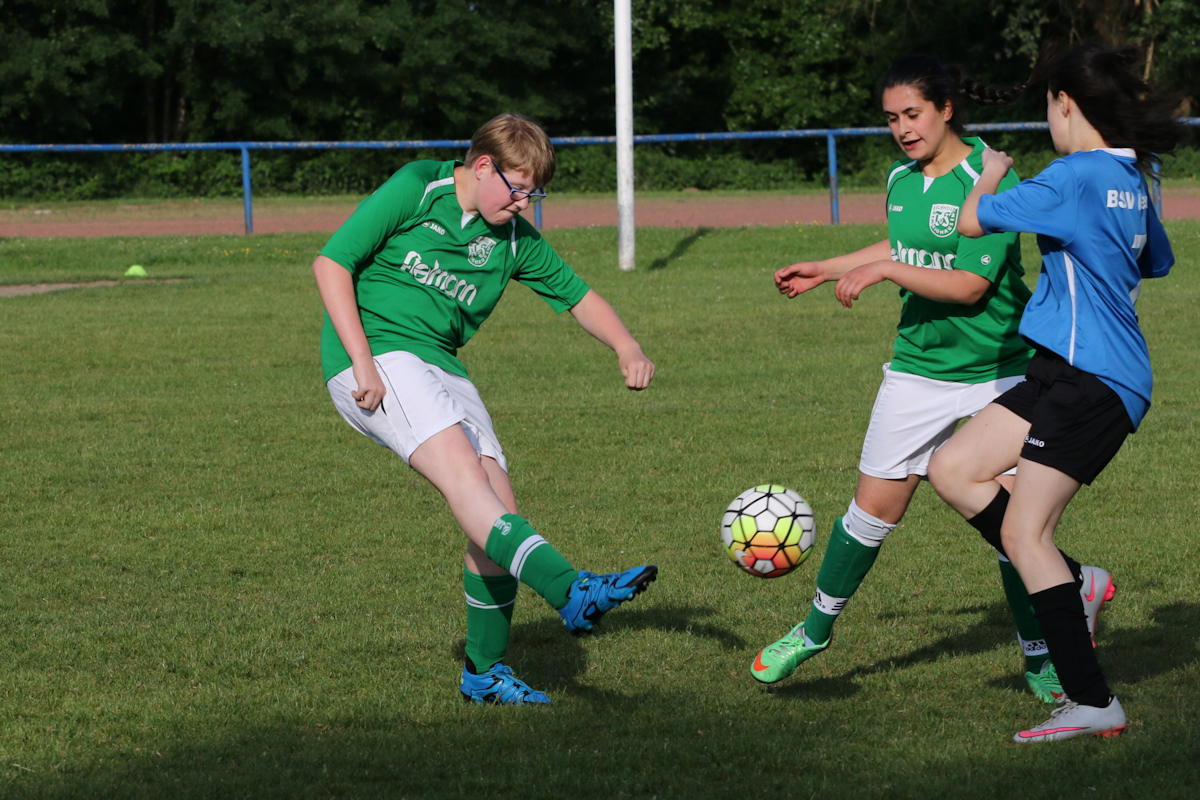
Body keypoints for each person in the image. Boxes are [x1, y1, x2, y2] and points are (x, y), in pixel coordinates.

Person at [751, 54, 1109, 699]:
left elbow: (970, 285)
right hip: (918, 370)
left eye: (912, 114)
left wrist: (885, 274)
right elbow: (903, 246)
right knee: (871, 511)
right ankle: (811, 632)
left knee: (1010, 521)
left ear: (946, 109)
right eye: (891, 118)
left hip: (999, 373)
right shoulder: (900, 178)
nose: (902, 129)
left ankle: (1041, 656)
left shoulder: (990, 179)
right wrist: (828, 266)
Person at [313, 113, 658, 706]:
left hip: (440, 365)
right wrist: (362, 361)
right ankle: (572, 587)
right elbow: (332, 263)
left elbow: (578, 296)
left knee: (496, 511)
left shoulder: (514, 240)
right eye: (518, 188)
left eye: (534, 193)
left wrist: (626, 344)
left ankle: (484, 674)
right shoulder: (419, 186)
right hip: (375, 354)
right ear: (481, 166)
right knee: (466, 481)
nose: (525, 204)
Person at [929, 42, 1185, 742]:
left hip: (1093, 379)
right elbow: (1155, 260)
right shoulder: (1131, 177)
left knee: (1022, 531)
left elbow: (973, 221)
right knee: (951, 468)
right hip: (1061, 368)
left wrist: (987, 173)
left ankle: (1094, 700)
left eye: (1048, 104)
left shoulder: (1074, 176)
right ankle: (1079, 583)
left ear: (1065, 104)